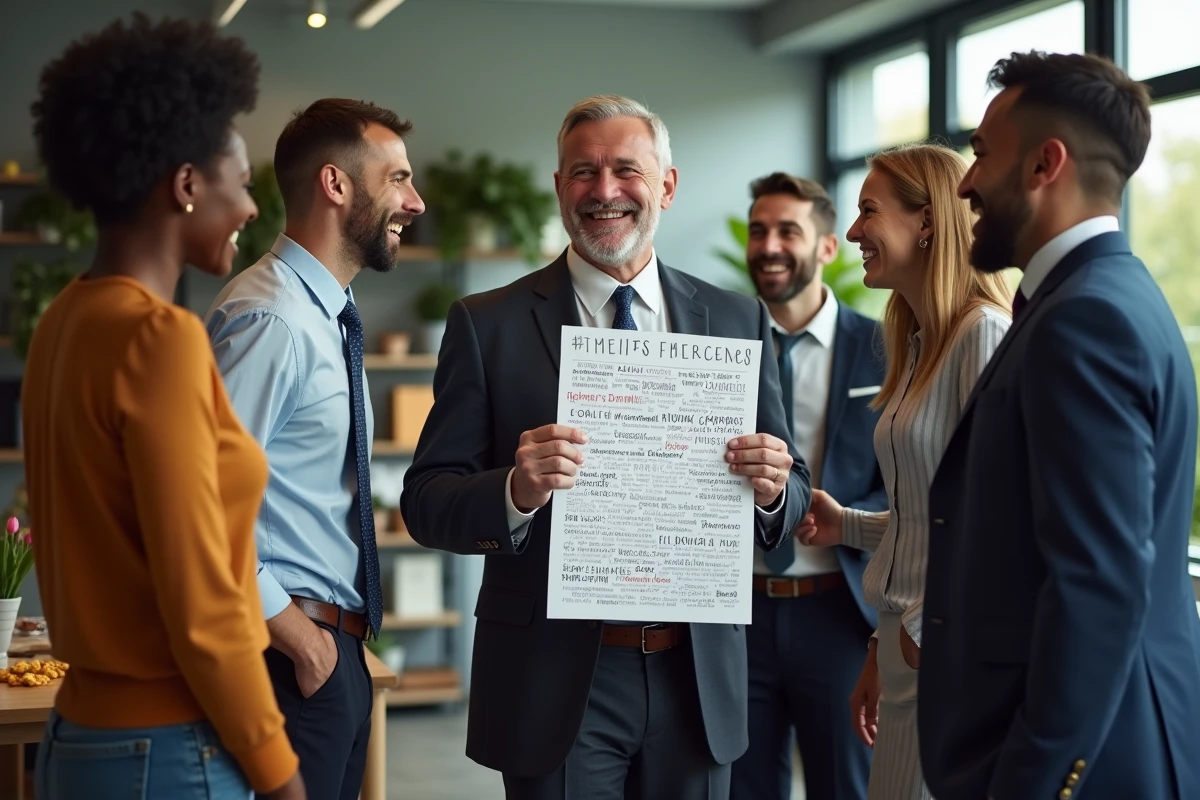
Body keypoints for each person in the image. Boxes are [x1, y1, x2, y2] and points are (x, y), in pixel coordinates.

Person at [400, 94, 811, 800]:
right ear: (560, 188)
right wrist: (514, 491)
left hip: (697, 678)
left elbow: (793, 488)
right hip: (553, 681)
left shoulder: (737, 319)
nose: (605, 191)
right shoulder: (486, 324)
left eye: (627, 170)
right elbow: (427, 501)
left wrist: (774, 489)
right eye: (583, 172)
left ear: (668, 186)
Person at [21, 13, 303, 800]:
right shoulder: (161, 338)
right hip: (173, 750)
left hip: (80, 737)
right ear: (186, 185)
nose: (252, 208)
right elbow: (205, 603)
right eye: (241, 181)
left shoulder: (63, 321)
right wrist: (280, 773)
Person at [920, 50, 1200, 800]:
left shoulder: (1084, 320)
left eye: (980, 154)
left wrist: (1034, 781)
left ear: (1046, 163)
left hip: (1086, 764)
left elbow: (1099, 586)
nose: (968, 182)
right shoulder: (1109, 295)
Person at [204, 98, 425, 800]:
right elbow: (199, 502)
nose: (414, 202)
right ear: (336, 185)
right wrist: (299, 638)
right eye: (397, 179)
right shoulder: (270, 319)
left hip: (332, 649)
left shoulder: (326, 314)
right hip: (288, 654)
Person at [795, 142, 1012, 800]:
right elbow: (932, 515)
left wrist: (914, 636)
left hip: (944, 652)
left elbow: (998, 526)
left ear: (926, 221)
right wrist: (849, 528)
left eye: (868, 212)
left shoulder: (983, 336)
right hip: (904, 645)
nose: (854, 231)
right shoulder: (919, 341)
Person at [730, 173, 885, 800]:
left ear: (826, 247)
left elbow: (908, 477)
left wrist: (846, 517)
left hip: (839, 611)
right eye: (759, 230)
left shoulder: (883, 347)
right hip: (737, 614)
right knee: (740, 787)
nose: (769, 246)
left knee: (846, 786)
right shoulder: (714, 344)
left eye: (788, 231)